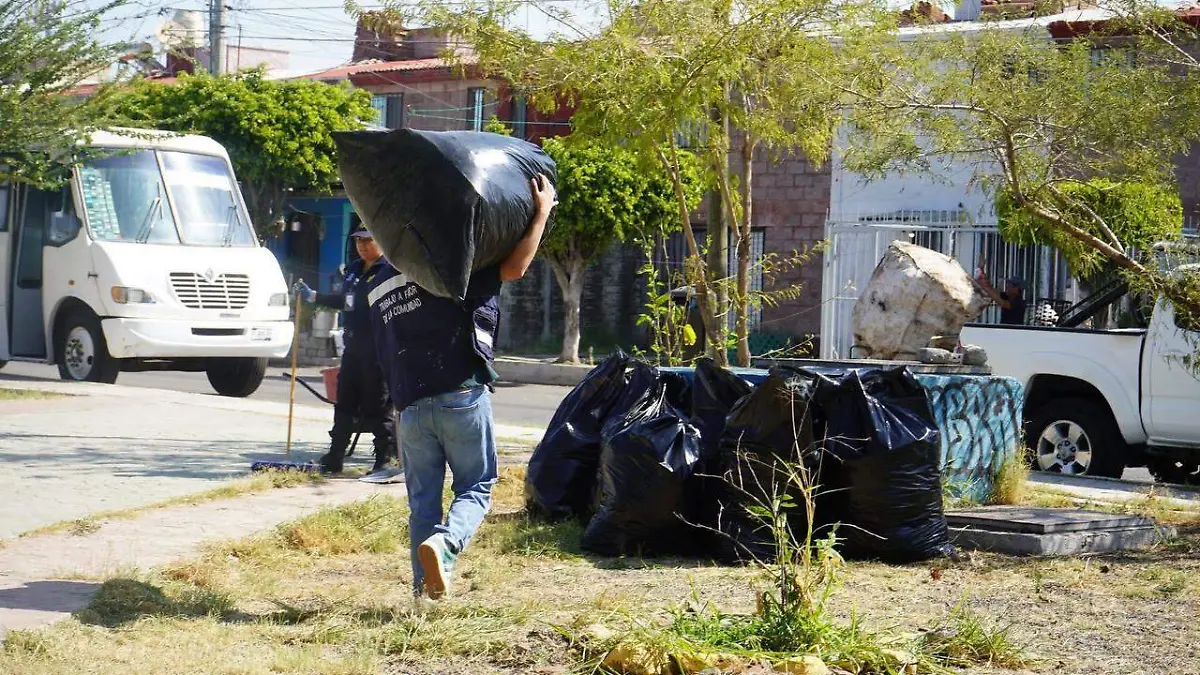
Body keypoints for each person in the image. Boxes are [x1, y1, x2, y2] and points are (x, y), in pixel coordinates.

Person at [368, 174, 557, 601]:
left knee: (422, 502)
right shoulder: (454, 254)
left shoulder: (378, 277)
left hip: (409, 406)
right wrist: (541, 212)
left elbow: (381, 345)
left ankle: (425, 594)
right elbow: (515, 267)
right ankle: (446, 545)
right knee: (477, 485)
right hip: (460, 393)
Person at [295, 224, 397, 476]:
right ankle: (335, 455)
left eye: (368, 240)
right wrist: (313, 296)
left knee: (378, 405)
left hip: (378, 351)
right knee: (345, 402)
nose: (362, 246)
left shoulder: (391, 270)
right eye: (358, 241)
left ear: (380, 241)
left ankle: (384, 458)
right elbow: (343, 300)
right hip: (353, 349)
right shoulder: (353, 269)